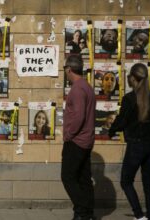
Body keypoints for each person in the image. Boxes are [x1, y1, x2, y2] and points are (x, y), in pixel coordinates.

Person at [108, 63, 150, 220]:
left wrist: (111, 130)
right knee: (148, 184)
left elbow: (122, 120)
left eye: (129, 77)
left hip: (136, 146)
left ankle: (140, 216)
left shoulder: (129, 98)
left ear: (133, 78)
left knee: (126, 181)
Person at [62, 55, 96, 220]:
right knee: (83, 178)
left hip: (76, 141)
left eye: (65, 70)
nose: (65, 73)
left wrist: (69, 134)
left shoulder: (77, 89)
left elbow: (79, 117)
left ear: (69, 69)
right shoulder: (87, 87)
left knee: (67, 177)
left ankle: (82, 210)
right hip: (86, 141)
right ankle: (87, 214)